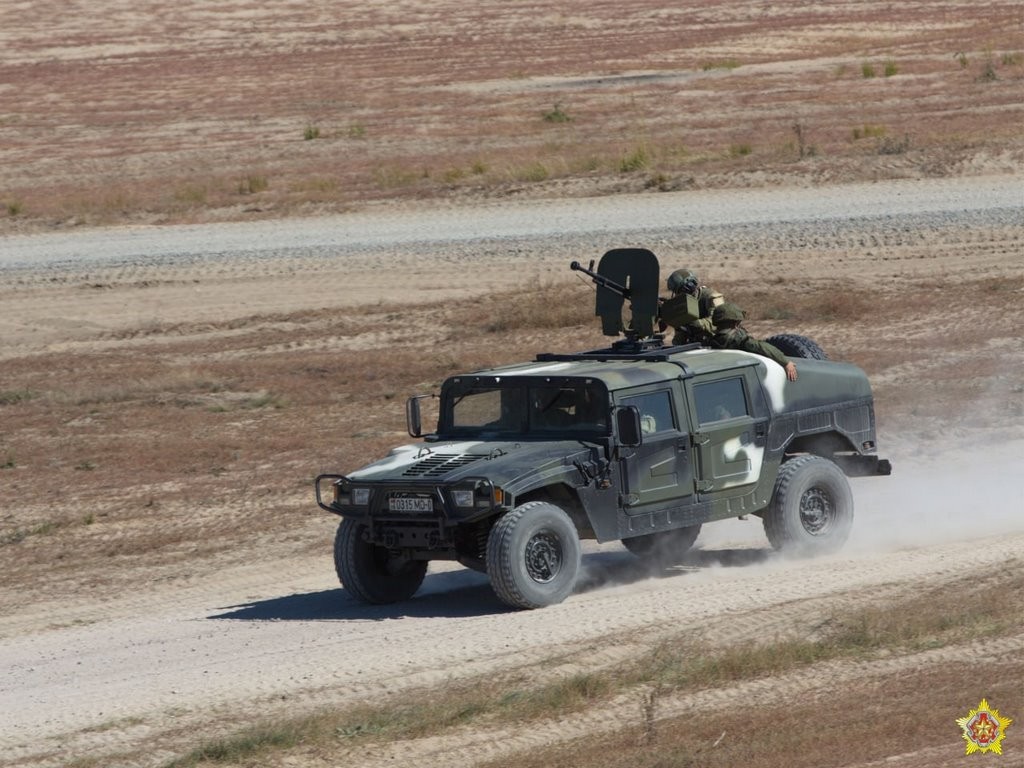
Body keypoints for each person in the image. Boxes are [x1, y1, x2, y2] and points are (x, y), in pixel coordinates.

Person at [710, 302, 799, 381]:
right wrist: (786, 363)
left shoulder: (712, 341)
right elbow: (762, 347)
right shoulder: (741, 341)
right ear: (736, 324)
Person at [663, 268, 725, 346]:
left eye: (679, 291)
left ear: (687, 287)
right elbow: (680, 335)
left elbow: (720, 322)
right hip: (696, 345)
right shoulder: (684, 303)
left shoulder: (710, 296)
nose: (677, 295)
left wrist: (697, 323)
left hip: (716, 343)